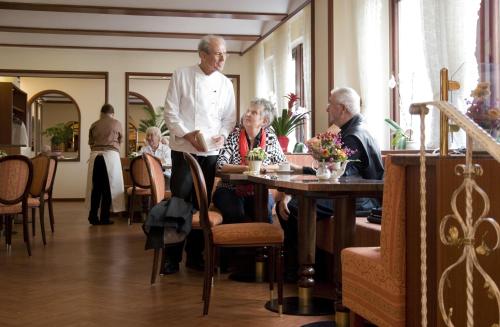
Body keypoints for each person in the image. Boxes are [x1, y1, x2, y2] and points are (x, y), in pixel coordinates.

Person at [277, 87, 384, 278]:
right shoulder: (354, 128)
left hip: (362, 199)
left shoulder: (353, 135)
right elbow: (339, 173)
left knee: (296, 206)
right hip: (358, 194)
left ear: (342, 108)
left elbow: (342, 177)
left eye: (330, 104)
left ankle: (301, 268)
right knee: (292, 205)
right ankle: (301, 265)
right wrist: (303, 169)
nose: (327, 109)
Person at [163, 34, 236, 274]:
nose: (223, 58)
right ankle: (171, 257)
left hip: (212, 152)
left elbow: (229, 119)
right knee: (179, 202)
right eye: (218, 53)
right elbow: (171, 114)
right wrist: (187, 134)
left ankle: (194, 256)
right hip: (185, 150)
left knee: (201, 203)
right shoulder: (181, 75)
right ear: (202, 55)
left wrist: (223, 135)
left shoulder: (226, 83)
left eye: (225, 53)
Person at [213, 98, 287, 224]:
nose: (247, 114)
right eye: (248, 111)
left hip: (259, 190)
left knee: (264, 213)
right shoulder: (233, 135)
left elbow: (283, 165)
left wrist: (264, 167)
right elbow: (220, 165)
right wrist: (249, 168)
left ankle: (265, 244)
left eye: (254, 112)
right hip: (229, 189)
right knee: (236, 212)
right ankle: (236, 243)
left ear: (264, 121)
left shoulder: (270, 137)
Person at [85, 104, 126, 225]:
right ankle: (104, 217)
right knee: (108, 188)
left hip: (96, 157)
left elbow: (90, 142)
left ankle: (93, 216)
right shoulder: (117, 123)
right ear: (112, 114)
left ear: (101, 113)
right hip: (110, 156)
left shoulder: (94, 124)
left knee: (96, 188)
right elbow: (121, 140)